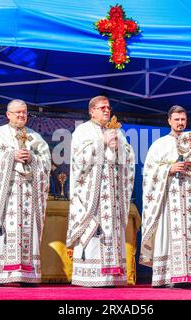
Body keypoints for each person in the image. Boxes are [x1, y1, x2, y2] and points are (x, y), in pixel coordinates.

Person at [140, 105, 191, 288]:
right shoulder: (160, 144)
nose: (180, 123)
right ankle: (168, 276)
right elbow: (149, 172)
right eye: (177, 120)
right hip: (169, 195)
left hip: (190, 195)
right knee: (169, 233)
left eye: (183, 120)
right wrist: (169, 169)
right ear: (169, 121)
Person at [66, 95, 135, 287]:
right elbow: (79, 161)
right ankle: (90, 275)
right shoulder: (83, 130)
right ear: (92, 111)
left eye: (109, 107)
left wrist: (119, 147)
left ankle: (113, 275)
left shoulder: (117, 131)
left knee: (112, 231)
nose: (107, 110)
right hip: (92, 196)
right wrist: (101, 142)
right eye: (102, 107)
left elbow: (129, 158)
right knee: (94, 231)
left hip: (112, 194)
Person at [0, 99, 51, 286]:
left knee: (28, 230)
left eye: (24, 112)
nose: (22, 115)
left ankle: (28, 275)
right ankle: (1, 275)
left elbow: (46, 162)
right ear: (8, 114)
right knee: (7, 230)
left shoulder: (35, 138)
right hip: (7, 196)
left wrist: (34, 159)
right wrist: (10, 156)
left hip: (29, 195)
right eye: (18, 112)